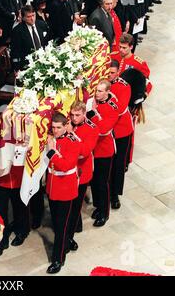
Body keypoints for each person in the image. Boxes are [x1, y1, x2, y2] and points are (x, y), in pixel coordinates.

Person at [45, 112, 81, 274]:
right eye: (53, 127)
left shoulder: (73, 141)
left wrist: (51, 152)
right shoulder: (52, 138)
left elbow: (66, 165)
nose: (55, 130)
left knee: (61, 226)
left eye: (58, 127)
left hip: (66, 188)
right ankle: (67, 243)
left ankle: (58, 259)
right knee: (57, 222)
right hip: (53, 186)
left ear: (66, 126)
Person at [66, 101, 99, 249]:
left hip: (81, 172)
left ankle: (69, 237)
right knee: (70, 204)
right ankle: (76, 225)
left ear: (84, 114)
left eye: (77, 115)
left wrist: (71, 134)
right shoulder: (68, 123)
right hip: (68, 170)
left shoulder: (92, 128)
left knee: (75, 206)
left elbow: (84, 152)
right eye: (72, 115)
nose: (74, 118)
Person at [87, 80, 119, 227]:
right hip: (93, 149)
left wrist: (94, 114)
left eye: (100, 91)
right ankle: (98, 206)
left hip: (104, 150)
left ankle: (104, 212)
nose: (97, 94)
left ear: (107, 92)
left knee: (102, 182)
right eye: (96, 91)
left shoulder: (112, 107)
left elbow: (104, 129)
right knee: (94, 181)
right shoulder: (93, 102)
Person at [108, 60, 134, 209]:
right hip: (106, 132)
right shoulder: (102, 83)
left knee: (118, 164)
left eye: (112, 72)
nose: (110, 75)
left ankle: (115, 194)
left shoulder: (124, 86)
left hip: (121, 131)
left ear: (118, 72)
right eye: (108, 72)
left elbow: (119, 108)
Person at [11, 4, 51, 71]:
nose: (32, 19)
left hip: (45, 59)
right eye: (29, 17)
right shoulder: (17, 31)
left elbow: (48, 41)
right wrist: (16, 68)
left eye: (33, 15)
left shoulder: (42, 24)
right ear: (23, 18)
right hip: (28, 65)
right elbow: (15, 51)